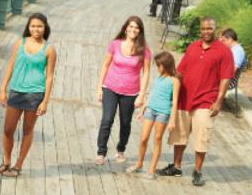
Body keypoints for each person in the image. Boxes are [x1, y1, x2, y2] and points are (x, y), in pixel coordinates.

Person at [158, 17, 234, 186]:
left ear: (215, 29)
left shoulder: (223, 51)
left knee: (202, 137)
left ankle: (197, 171)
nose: (206, 32)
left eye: (209, 29)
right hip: (185, 99)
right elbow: (180, 72)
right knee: (179, 135)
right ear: (200, 30)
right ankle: (176, 167)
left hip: (206, 101)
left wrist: (219, 101)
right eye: (203, 29)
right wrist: (169, 90)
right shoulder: (193, 47)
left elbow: (225, 78)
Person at [0, 13, 57, 178]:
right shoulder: (20, 43)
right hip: (16, 91)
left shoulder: (49, 49)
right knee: (8, 129)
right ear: (28, 27)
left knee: (27, 131)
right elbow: (10, 66)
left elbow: (50, 76)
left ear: (45, 28)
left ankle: (18, 165)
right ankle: (6, 161)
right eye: (33, 26)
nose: (36, 29)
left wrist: (45, 101)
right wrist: (2, 90)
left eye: (40, 26)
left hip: (35, 94)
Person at [95, 16, 152, 165]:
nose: (133, 30)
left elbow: (146, 73)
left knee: (125, 122)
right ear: (126, 28)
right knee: (107, 119)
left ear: (140, 31)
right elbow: (105, 65)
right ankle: (101, 152)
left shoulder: (144, 50)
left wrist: (142, 95)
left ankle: (121, 150)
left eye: (136, 28)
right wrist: (99, 87)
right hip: (110, 87)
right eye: (131, 27)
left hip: (131, 92)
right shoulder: (115, 44)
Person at [126, 51, 180, 179]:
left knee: (157, 139)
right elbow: (151, 94)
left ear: (166, 65)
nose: (158, 67)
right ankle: (139, 164)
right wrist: (143, 109)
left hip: (163, 112)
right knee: (144, 138)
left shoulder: (174, 80)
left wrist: (172, 120)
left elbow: (175, 101)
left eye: (159, 65)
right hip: (150, 109)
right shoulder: (158, 77)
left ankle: (152, 169)